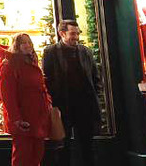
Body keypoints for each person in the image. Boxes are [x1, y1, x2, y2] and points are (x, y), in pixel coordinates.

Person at [42, 20, 101, 166]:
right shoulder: (50, 52)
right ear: (62, 33)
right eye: (73, 34)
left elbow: (95, 76)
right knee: (63, 146)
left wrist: (95, 94)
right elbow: (47, 79)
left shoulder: (85, 51)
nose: (76, 37)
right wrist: (53, 103)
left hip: (84, 106)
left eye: (77, 33)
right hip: (63, 106)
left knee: (87, 145)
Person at [0, 33, 52, 166]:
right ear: (17, 46)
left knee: (37, 154)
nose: (28, 45)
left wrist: (48, 103)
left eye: (29, 42)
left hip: (38, 116)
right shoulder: (10, 65)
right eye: (23, 43)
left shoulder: (31, 61)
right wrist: (16, 119)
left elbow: (41, 87)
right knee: (23, 156)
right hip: (24, 118)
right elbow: (8, 95)